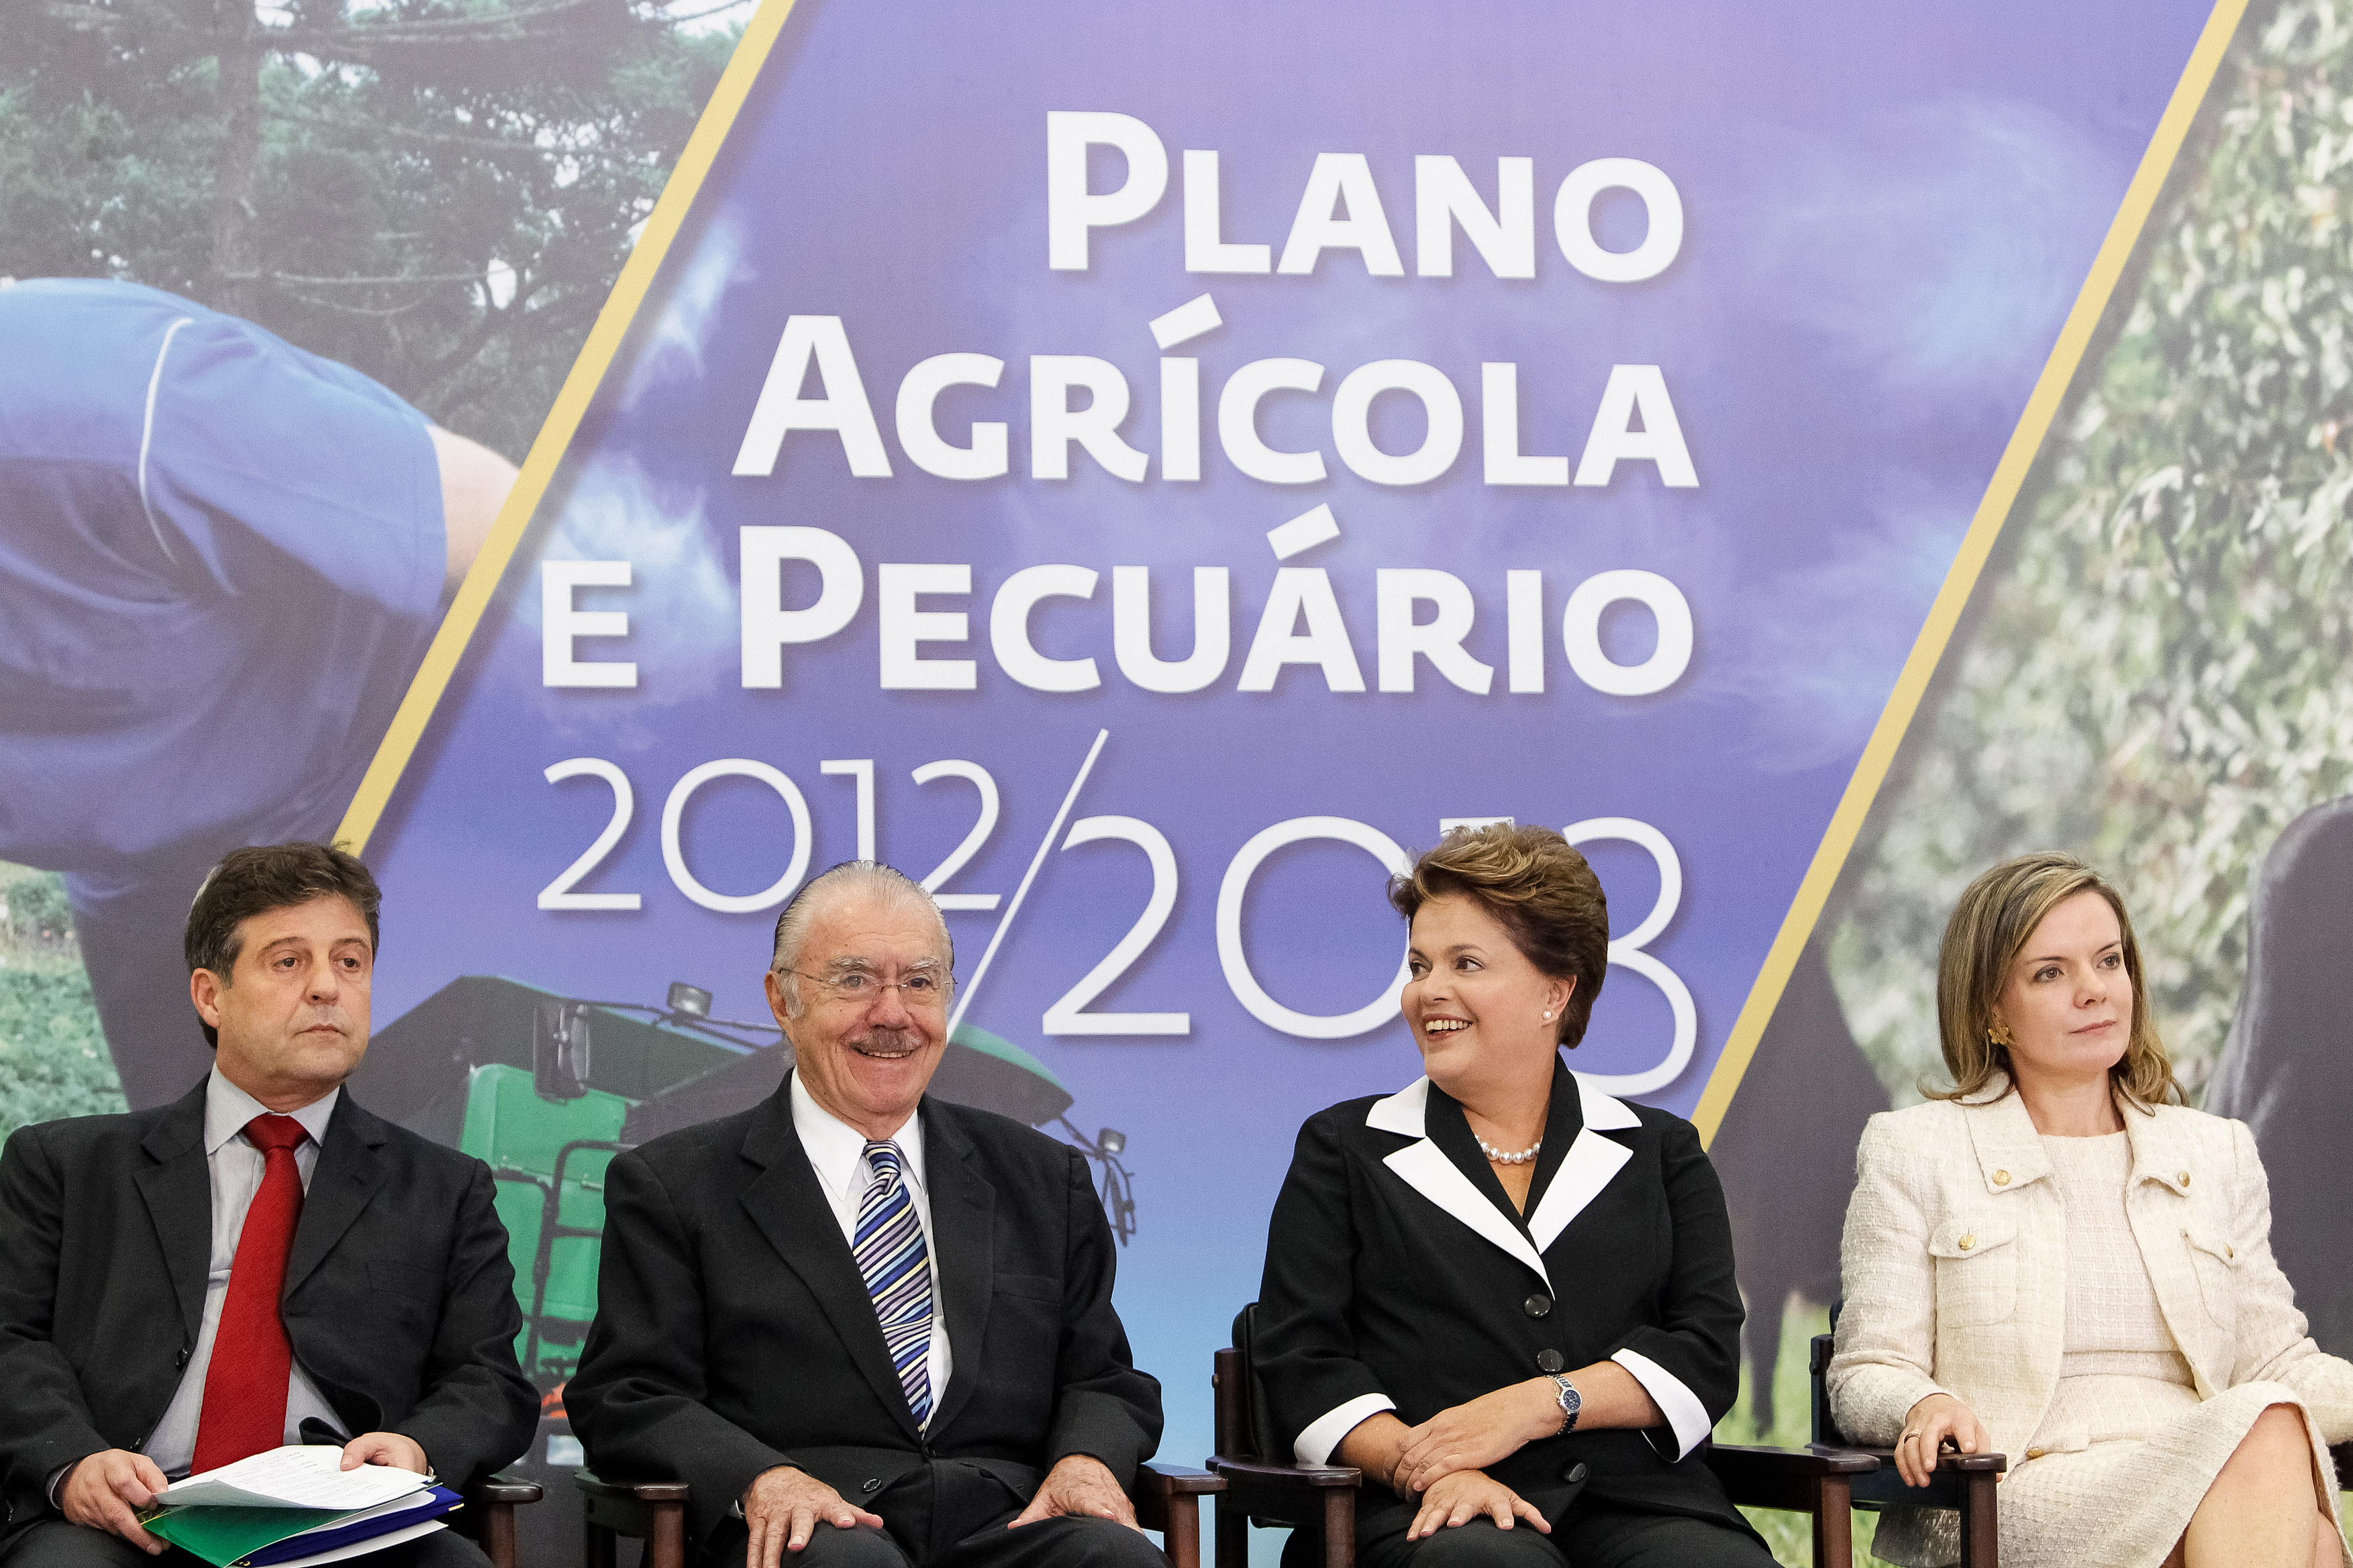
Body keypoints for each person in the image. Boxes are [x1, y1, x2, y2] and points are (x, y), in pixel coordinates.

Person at [0, 278, 514, 1109]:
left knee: (442, 1149)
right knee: (198, 1183)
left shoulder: (107, 403)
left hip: (400, 746)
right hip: (152, 861)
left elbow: (506, 522)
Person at [566, 861, 1164, 1568]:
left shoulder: (1043, 1178)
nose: (891, 1013)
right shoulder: (673, 1183)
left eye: (919, 982)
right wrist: (761, 1477)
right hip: (808, 1523)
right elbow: (628, 1393)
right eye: (853, 980)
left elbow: (1102, 1378)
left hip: (1005, 1519)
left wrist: (1085, 1462)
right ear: (782, 1001)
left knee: (1113, 1560)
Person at [0, 842, 540, 1568]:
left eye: (350, 962)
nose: (328, 987)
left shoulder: (445, 1188)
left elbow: (489, 1379)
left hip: (344, 1524)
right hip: (131, 1520)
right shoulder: (65, 1166)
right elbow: (9, 1339)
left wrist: (419, 1446)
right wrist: (73, 1463)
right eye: (289, 962)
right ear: (210, 994)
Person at [1253, 823, 1772, 1568]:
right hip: (1425, 1509)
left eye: (1466, 963)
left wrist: (1533, 1406)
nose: (1429, 991)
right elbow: (1302, 1360)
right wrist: (1429, 1464)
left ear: (1554, 991)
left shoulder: (1659, 1150)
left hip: (1637, 1501)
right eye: (1418, 964)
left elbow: (1703, 1350)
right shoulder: (1344, 1147)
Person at [1829, 851, 2353, 1568]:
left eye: (2108, 962)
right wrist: (1919, 1406)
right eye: (2050, 972)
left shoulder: (2215, 1151)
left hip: (2206, 1465)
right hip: (2014, 1487)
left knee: (2267, 1433)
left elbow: (2275, 1361)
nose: (2094, 991)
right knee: (2304, 1526)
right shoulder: (1916, 1150)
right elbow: (1865, 1368)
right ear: (1989, 1009)